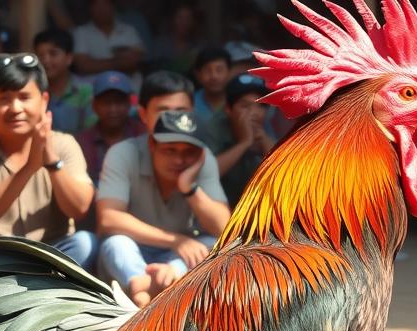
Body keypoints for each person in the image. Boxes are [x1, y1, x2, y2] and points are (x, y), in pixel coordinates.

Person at [0, 52, 97, 268]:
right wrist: (28, 168)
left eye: (24, 97)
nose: (15, 108)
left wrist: (52, 161)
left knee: (85, 243)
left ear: (44, 101)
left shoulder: (64, 143)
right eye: (4, 99)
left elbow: (79, 208)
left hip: (52, 255)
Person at [96, 109, 230, 307]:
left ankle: (149, 287)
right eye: (170, 150)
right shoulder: (124, 152)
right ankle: (143, 282)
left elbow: (224, 227)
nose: (179, 160)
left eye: (188, 152)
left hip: (176, 260)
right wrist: (176, 241)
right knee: (116, 243)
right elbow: (108, 218)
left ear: (200, 153)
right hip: (136, 248)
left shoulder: (204, 160)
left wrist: (190, 189)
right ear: (152, 144)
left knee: (214, 243)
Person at [217, 73, 278, 205]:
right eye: (245, 106)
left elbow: (286, 174)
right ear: (228, 109)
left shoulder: (267, 129)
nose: (254, 112)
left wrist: (262, 138)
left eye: (261, 106)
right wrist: (244, 143)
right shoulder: (212, 129)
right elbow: (207, 175)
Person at [76, 71, 145, 184]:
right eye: (106, 103)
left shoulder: (143, 135)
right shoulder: (82, 142)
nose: (113, 109)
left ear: (129, 103)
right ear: (94, 105)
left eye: (119, 102)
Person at [72, 0, 143, 79]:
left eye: (105, 4)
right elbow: (83, 66)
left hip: (130, 87)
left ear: (113, 6)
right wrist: (120, 62)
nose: (101, 9)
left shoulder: (129, 30)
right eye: (96, 5)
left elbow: (136, 61)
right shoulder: (81, 33)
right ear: (89, 8)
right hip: (93, 90)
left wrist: (96, 63)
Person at [34, 28, 94, 134]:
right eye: (41, 56)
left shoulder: (86, 90)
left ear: (69, 58)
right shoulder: (34, 92)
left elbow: (91, 133)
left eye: (53, 54)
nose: (46, 60)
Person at [191, 47, 233, 153]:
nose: (214, 76)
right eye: (207, 70)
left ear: (229, 72)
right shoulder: (189, 103)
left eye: (219, 70)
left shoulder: (239, 102)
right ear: (198, 75)